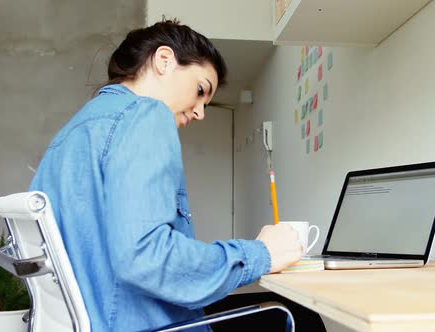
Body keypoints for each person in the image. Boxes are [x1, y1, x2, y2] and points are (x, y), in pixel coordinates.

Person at [29, 19, 318, 331]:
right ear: (163, 60)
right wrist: (262, 254)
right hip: (143, 324)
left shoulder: (69, 136)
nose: (200, 112)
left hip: (102, 319)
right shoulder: (145, 114)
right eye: (200, 90)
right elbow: (146, 257)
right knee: (302, 316)